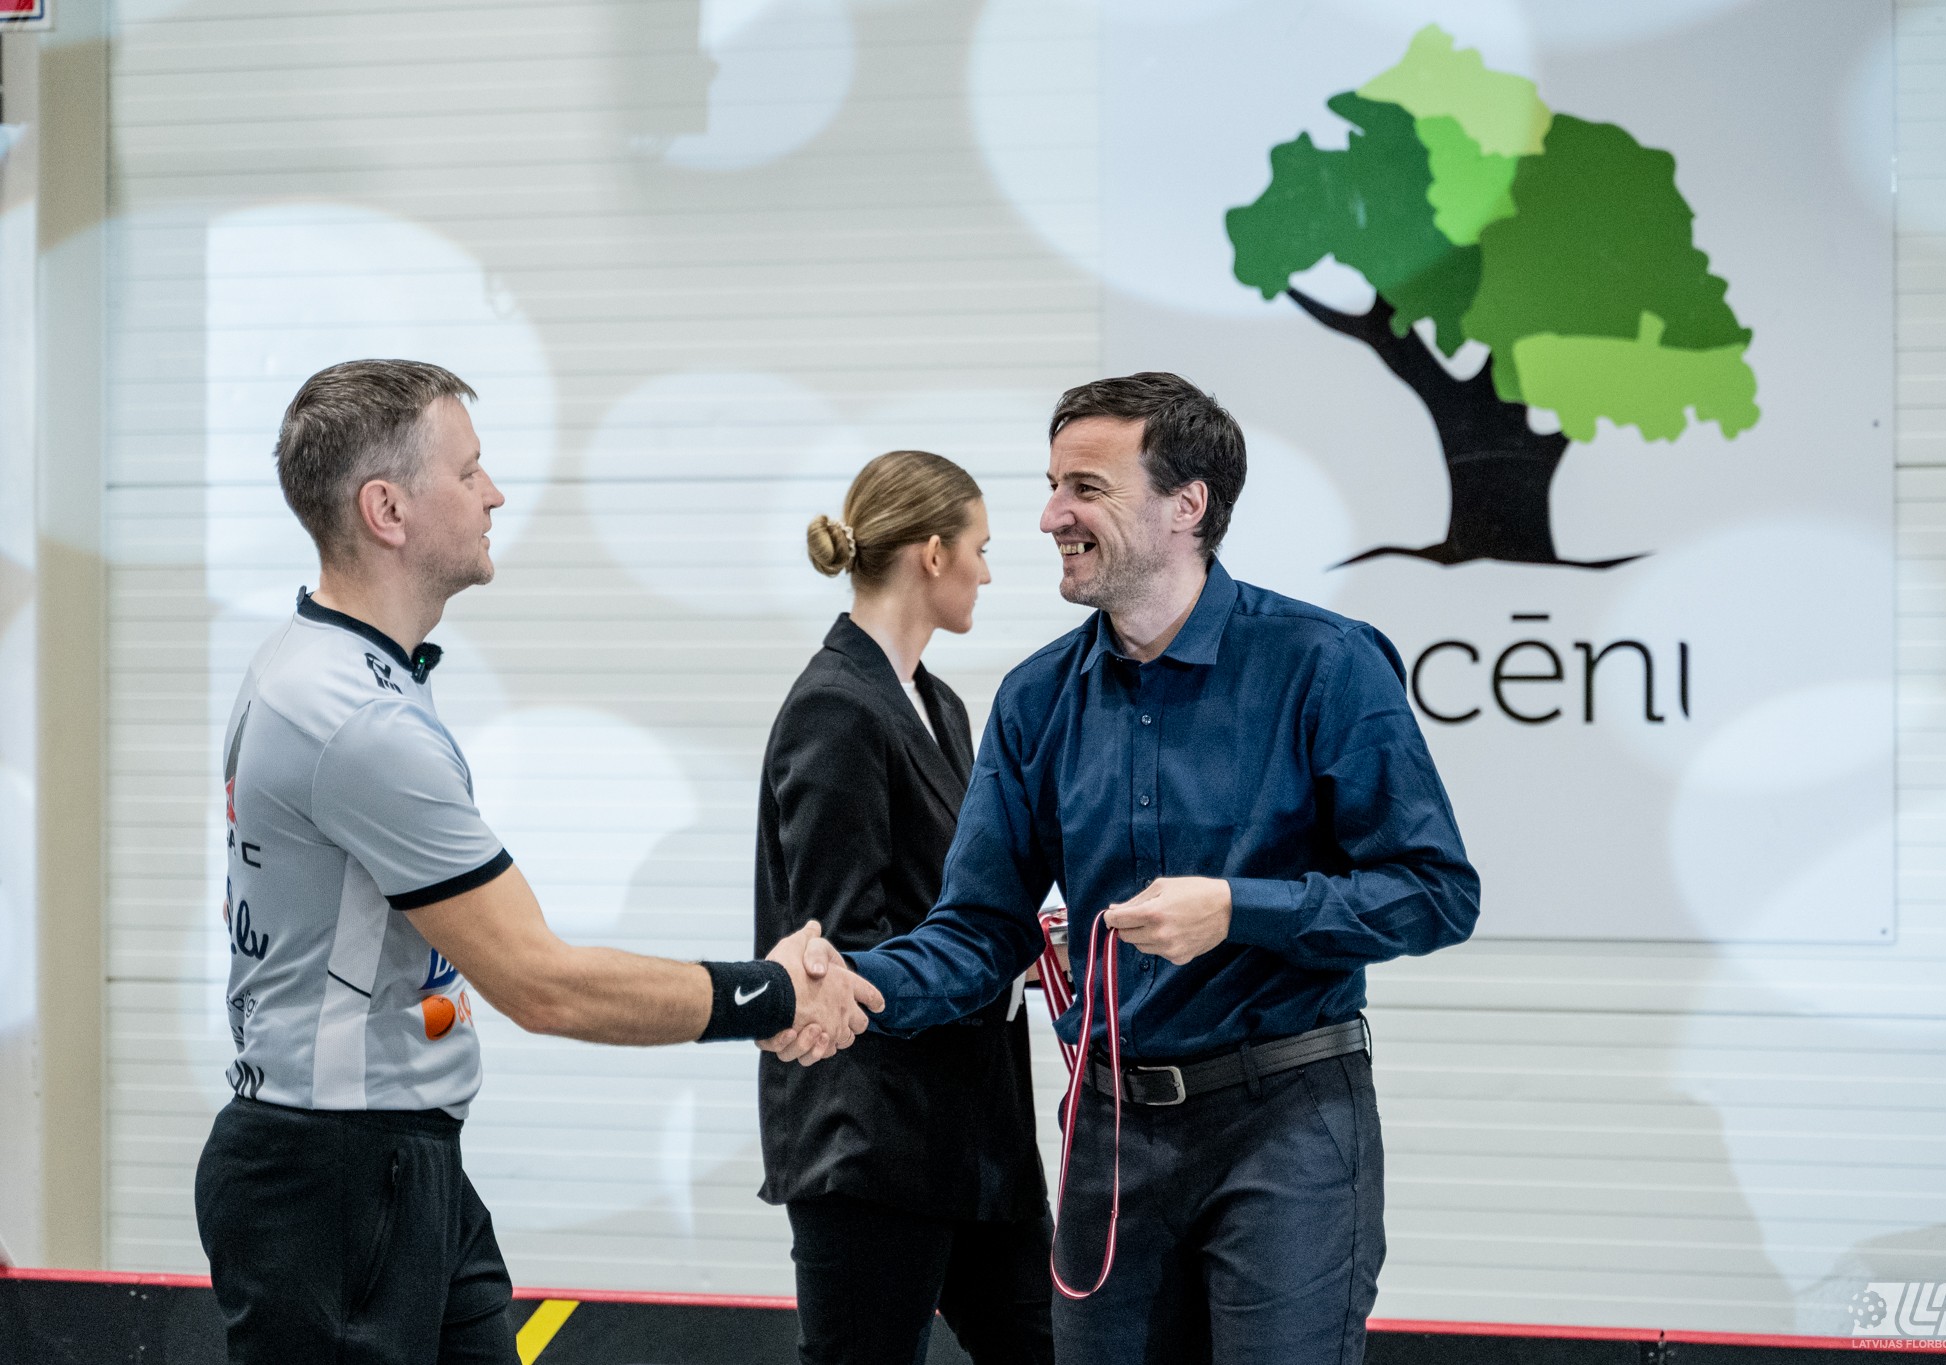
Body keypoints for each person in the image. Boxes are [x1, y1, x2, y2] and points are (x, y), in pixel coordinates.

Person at [195, 360, 882, 1365]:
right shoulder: (356, 719)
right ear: (387, 510)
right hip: (334, 1180)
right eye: (468, 471)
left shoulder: (320, 667)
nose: (495, 494)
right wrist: (772, 996)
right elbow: (541, 984)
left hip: (390, 1159)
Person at [827, 373, 1480, 1364]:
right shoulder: (1036, 698)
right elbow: (980, 928)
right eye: (1053, 486)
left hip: (1289, 1125)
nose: (1050, 516)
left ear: (1188, 505)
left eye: (1085, 488)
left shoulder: (1326, 663)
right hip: (1111, 1136)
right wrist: (851, 983)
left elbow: (1434, 893)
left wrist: (1238, 910)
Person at [755, 451, 1055, 1365]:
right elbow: (836, 949)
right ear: (932, 553)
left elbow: (953, 904)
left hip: (973, 1132)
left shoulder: (941, 704)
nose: (988, 573)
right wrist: (994, 960)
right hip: (872, 1141)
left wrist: (1020, 944)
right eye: (981, 548)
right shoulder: (836, 708)